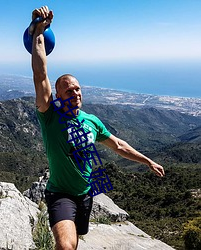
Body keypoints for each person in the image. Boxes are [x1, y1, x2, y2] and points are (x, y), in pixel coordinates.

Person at [30, 6, 165, 250]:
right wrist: (38, 31)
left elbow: (119, 145)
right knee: (65, 246)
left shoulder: (92, 121)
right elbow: (40, 74)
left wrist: (147, 161)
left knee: (76, 242)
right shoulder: (50, 115)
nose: (75, 92)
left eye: (78, 88)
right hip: (60, 194)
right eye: (68, 89)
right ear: (57, 95)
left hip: (85, 194)